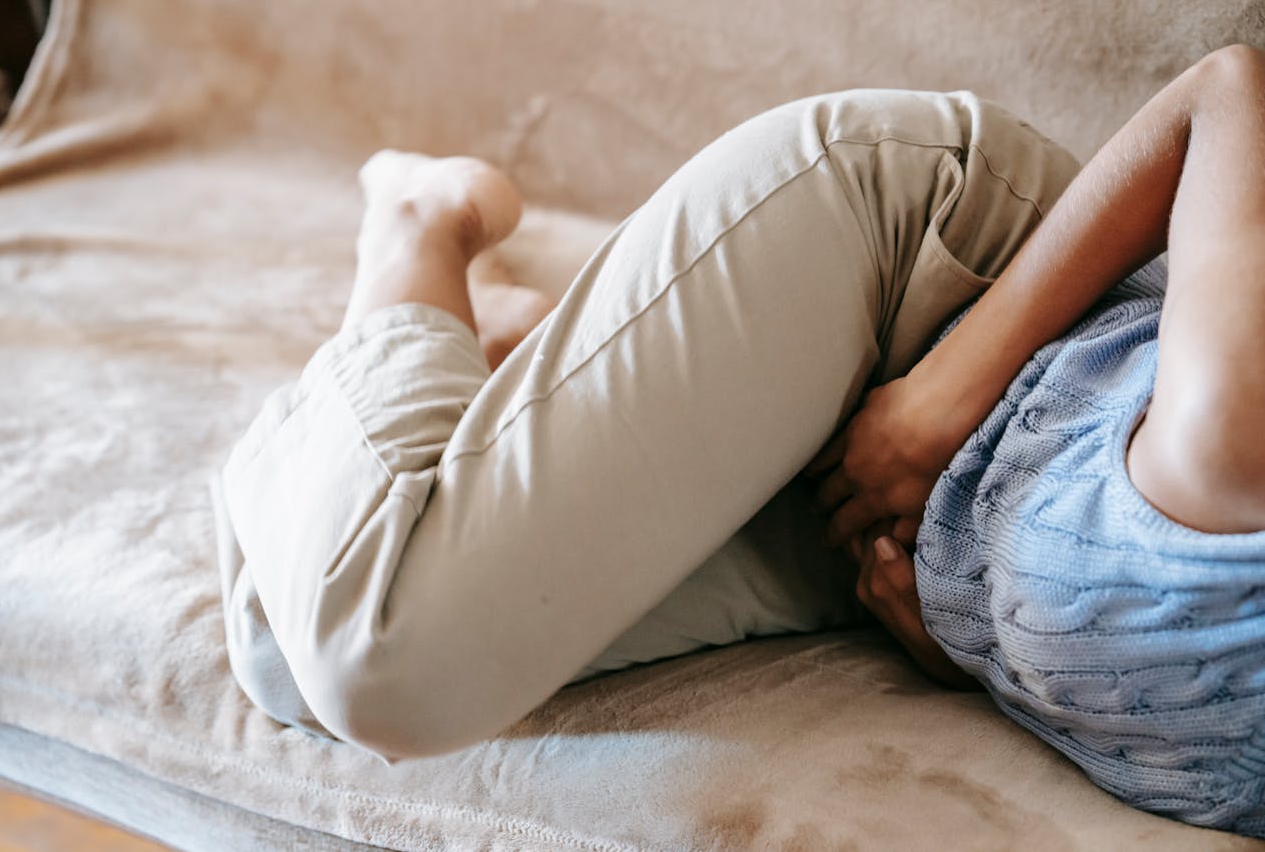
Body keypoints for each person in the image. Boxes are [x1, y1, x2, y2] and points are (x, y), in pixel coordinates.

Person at [212, 45, 1265, 835]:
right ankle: (413, 225)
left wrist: (959, 649)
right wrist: (937, 399)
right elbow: (1229, 92)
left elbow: (1143, 682)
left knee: (285, 648)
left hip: (891, 523)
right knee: (379, 653)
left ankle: (506, 349)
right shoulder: (1235, 454)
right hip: (927, 281)